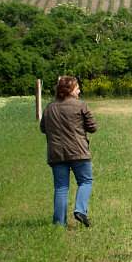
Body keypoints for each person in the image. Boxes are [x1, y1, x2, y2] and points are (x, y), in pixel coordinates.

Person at [40, 76, 98, 226]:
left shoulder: (49, 107)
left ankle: (59, 223)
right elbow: (93, 127)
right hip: (79, 151)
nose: (79, 91)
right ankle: (80, 210)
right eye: (77, 88)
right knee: (85, 181)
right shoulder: (81, 105)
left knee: (61, 187)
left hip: (56, 153)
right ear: (71, 90)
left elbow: (43, 128)